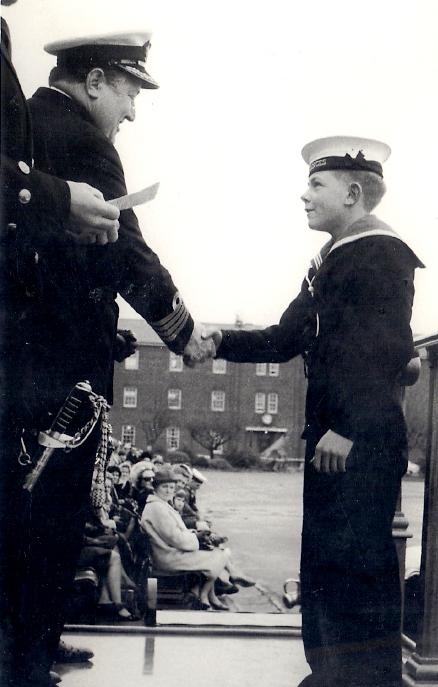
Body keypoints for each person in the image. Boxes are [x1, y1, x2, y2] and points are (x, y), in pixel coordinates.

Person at [204, 137, 424, 687]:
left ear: (352, 193)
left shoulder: (379, 254)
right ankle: (329, 675)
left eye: (315, 185)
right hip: (334, 441)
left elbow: (389, 348)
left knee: (358, 573)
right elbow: (284, 338)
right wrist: (211, 342)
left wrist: (347, 429)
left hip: (358, 442)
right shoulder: (333, 258)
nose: (303, 196)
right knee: (326, 567)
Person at [0, 5, 122, 686]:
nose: (131, 112)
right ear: (98, 80)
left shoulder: (38, 115)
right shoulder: (76, 134)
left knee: (48, 510)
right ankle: (29, 654)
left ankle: (38, 642)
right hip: (54, 361)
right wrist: (178, 326)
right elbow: (117, 246)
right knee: (47, 511)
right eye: (131, 93)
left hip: (46, 347)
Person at [140, 468, 231, 610]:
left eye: (171, 487)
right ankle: (205, 594)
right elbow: (177, 539)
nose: (169, 491)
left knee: (216, 551)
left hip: (169, 551)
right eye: (164, 487)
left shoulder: (161, 504)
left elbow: (176, 533)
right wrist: (197, 537)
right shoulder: (157, 508)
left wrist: (194, 534)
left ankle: (207, 595)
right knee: (221, 554)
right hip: (167, 557)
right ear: (155, 488)